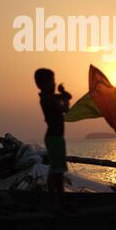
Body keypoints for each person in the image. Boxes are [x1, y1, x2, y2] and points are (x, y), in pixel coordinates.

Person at [34, 68, 72, 205]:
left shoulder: (50, 97)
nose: (54, 83)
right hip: (54, 138)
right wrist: (65, 99)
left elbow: (68, 96)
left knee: (57, 171)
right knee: (56, 172)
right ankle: (56, 201)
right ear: (42, 84)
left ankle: (57, 201)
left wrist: (63, 93)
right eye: (51, 81)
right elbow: (65, 109)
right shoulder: (47, 100)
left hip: (57, 138)